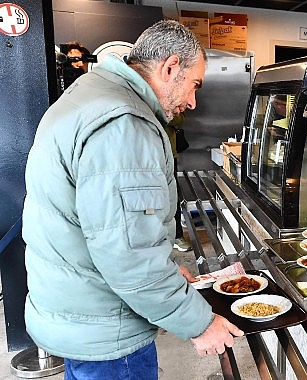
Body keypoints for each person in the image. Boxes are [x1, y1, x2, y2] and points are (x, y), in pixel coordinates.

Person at [23, 20, 243, 379]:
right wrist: (200, 324)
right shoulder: (124, 122)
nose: (192, 101)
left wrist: (166, 267)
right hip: (107, 327)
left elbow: (113, 230)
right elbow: (128, 256)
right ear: (169, 67)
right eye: (194, 85)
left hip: (80, 313)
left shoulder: (93, 92)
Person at [164, 112, 192, 252]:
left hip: (169, 153)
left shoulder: (169, 100)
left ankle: (177, 236)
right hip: (147, 155)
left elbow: (179, 118)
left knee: (172, 193)